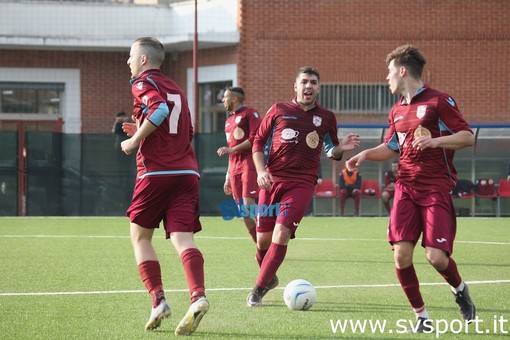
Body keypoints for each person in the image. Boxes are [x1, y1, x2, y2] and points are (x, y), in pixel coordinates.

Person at [346, 44, 475, 333]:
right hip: (405, 186)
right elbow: (392, 147)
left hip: (435, 189)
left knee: (436, 257)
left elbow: (467, 137)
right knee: (401, 254)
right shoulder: (396, 111)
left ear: (403, 71)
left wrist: (436, 142)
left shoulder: (439, 101)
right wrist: (365, 154)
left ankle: (460, 289)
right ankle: (422, 316)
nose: (386, 78)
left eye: (389, 72)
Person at [247, 66, 360, 307]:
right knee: (262, 242)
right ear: (295, 86)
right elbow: (258, 141)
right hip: (271, 181)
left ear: (318, 88)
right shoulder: (278, 110)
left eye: (313, 82)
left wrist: (343, 148)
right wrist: (260, 171)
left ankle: (257, 290)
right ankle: (269, 277)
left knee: (282, 233)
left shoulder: (327, 117)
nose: (308, 86)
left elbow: (331, 150)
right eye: (304, 82)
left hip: (301, 184)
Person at [120, 37, 208, 336]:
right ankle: (198, 296)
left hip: (156, 172)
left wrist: (134, 141)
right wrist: (144, 130)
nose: (128, 61)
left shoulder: (142, 82)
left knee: (140, 237)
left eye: (131, 56)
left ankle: (158, 300)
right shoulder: (176, 87)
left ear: (143, 60)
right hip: (187, 172)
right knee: (183, 239)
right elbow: (185, 129)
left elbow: (158, 112)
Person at [217, 87, 261, 243]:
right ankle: (261, 246)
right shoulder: (228, 121)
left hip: (249, 164)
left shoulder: (250, 113)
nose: (223, 100)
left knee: (249, 206)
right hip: (234, 168)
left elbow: (256, 139)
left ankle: (271, 231)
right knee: (243, 214)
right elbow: (231, 151)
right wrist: (227, 176)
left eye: (225, 97)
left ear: (234, 99)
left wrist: (232, 149)